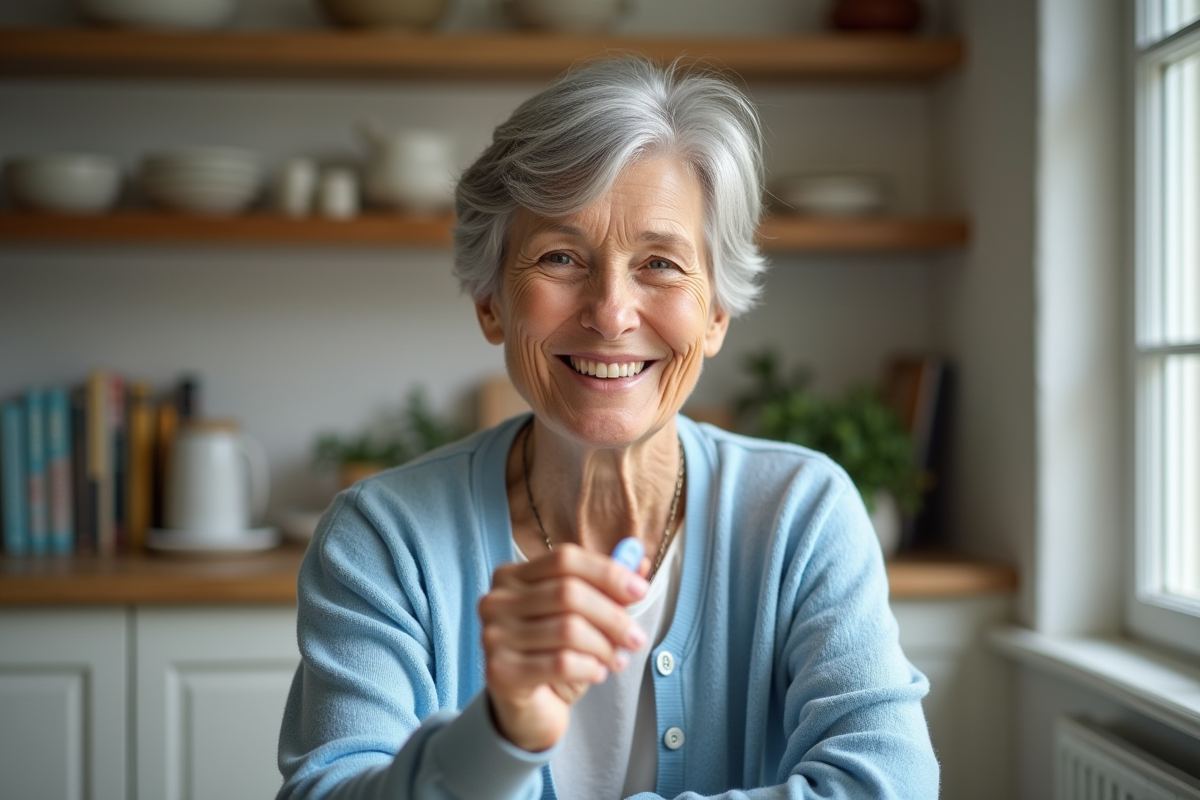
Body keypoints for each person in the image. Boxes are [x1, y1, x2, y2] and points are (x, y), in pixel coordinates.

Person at [277, 57, 939, 800]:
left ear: (716, 312)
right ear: (491, 301)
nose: (612, 312)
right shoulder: (383, 538)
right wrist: (497, 736)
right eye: (561, 257)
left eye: (659, 263)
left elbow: (889, 783)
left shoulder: (802, 513)